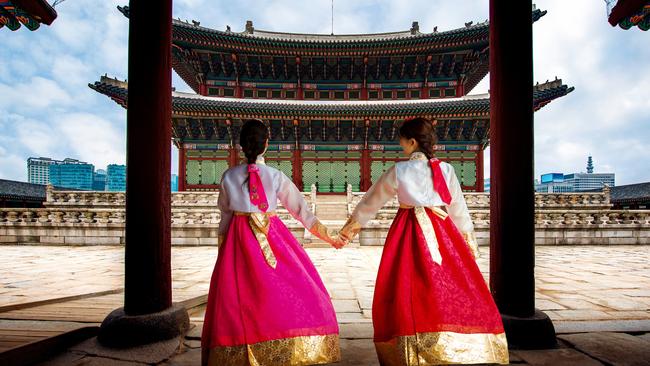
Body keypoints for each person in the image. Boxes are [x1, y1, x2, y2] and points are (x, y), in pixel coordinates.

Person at [339, 117, 509, 365]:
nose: (401, 145)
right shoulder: (446, 170)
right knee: (446, 285)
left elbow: (371, 202)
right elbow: (458, 208)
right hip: (443, 231)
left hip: (407, 231)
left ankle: (409, 346)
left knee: (406, 285)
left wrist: (348, 231)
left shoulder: (399, 170)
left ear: (412, 141)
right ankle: (448, 341)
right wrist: (468, 243)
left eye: (402, 141)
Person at [201, 119, 343, 366]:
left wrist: (223, 247)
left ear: (241, 145)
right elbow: (301, 211)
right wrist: (330, 236)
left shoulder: (228, 176)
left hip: (238, 239)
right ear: (267, 144)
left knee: (238, 295)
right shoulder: (276, 176)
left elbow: (225, 215)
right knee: (281, 288)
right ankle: (278, 341)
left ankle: (238, 350)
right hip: (271, 235)